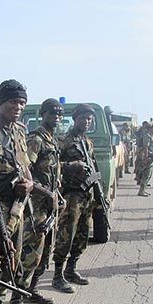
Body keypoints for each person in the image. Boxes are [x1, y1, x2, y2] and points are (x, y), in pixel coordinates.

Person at [0, 79, 34, 304]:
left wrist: (29, 183)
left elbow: (24, 164)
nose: (18, 106)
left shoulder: (19, 130)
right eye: (13, 101)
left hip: (18, 208)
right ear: (0, 103)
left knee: (11, 263)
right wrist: (9, 186)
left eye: (22, 102)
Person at [21, 98, 63, 304]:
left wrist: (57, 195)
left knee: (46, 251)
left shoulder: (52, 140)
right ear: (43, 114)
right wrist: (47, 193)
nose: (55, 117)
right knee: (31, 254)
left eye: (58, 114)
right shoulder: (36, 139)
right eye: (51, 113)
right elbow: (25, 173)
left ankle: (33, 289)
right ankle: (16, 301)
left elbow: (54, 172)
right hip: (35, 206)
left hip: (50, 206)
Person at [51, 104, 97, 293]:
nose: (86, 122)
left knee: (82, 235)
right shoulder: (63, 141)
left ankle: (71, 269)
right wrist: (71, 166)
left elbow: (93, 167)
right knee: (66, 236)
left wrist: (98, 192)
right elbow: (52, 166)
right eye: (83, 118)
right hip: (70, 195)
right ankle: (57, 275)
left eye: (89, 119)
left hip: (86, 195)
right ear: (75, 119)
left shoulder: (88, 142)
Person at [137, 122, 153, 196]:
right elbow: (146, 147)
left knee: (149, 174)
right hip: (148, 157)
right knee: (146, 174)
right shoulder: (147, 136)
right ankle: (141, 191)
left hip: (152, 157)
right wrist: (146, 158)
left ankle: (143, 189)